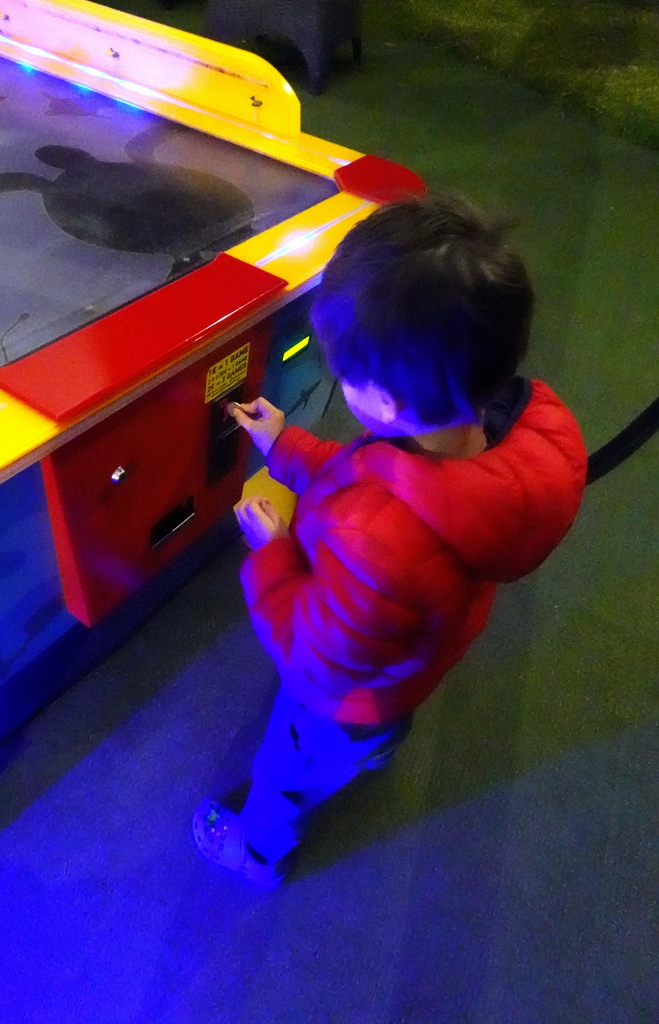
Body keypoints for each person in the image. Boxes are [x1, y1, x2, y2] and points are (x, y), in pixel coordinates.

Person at [192, 193, 588, 888]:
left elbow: (314, 658)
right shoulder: (496, 439)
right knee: (367, 729)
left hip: (344, 699)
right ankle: (374, 747)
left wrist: (275, 550)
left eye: (346, 375)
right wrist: (283, 444)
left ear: (385, 403)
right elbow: (363, 480)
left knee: (287, 768)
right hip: (410, 663)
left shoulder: (375, 538)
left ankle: (256, 850)